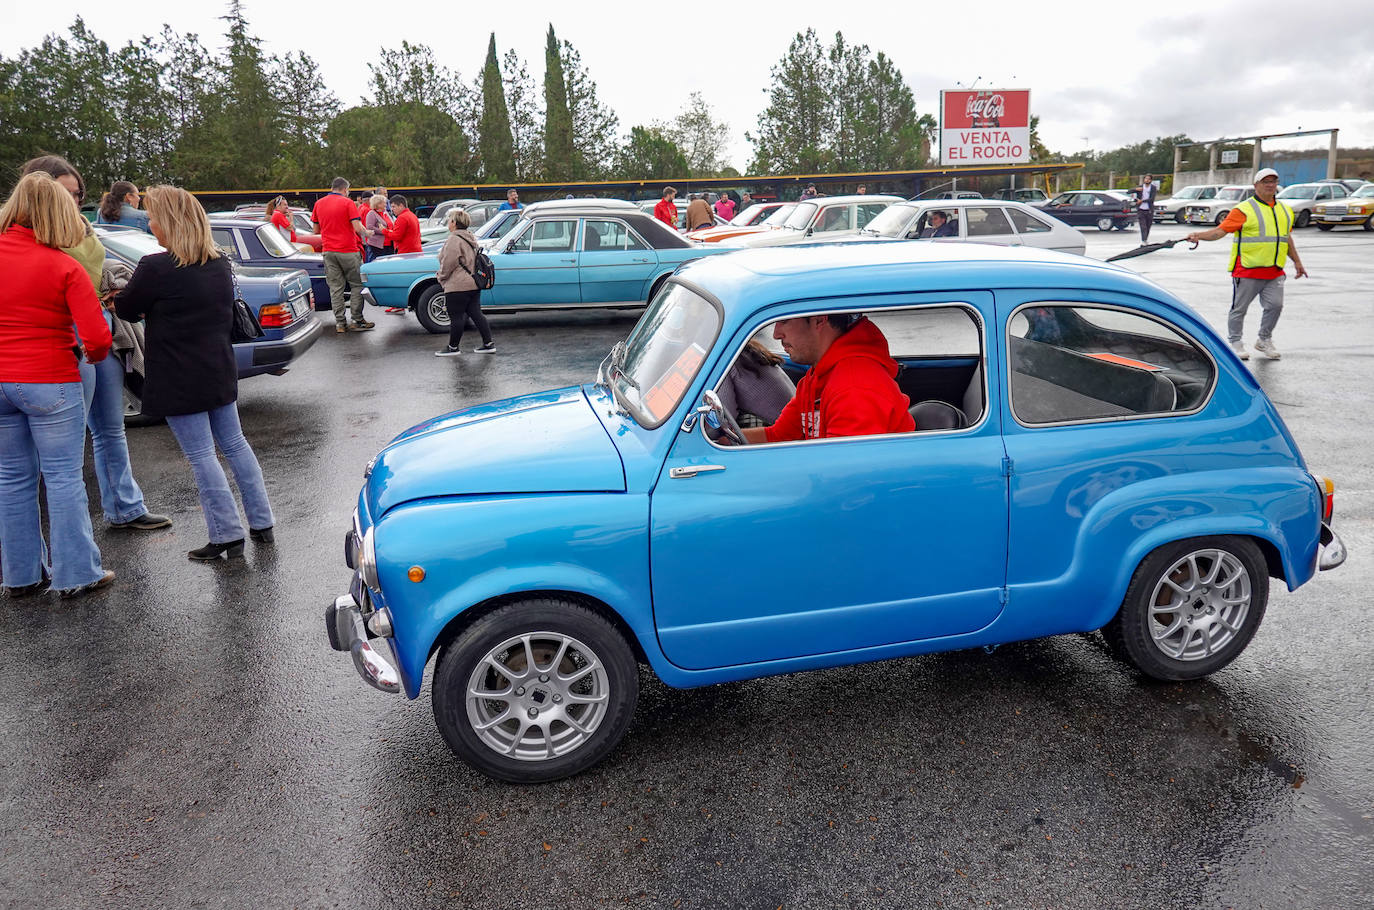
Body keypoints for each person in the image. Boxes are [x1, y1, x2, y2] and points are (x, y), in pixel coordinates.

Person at [114, 186, 275, 561]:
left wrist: (115, 297)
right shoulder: (219, 263)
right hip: (218, 368)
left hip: (177, 375)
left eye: (154, 217)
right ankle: (262, 523)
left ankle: (226, 535)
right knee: (235, 445)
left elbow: (127, 308)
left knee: (202, 455)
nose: (150, 223)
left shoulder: (155, 267)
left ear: (169, 223)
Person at [21, 157, 171, 535]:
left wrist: (108, 284)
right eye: (66, 193)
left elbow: (89, 270)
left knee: (110, 426)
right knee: (60, 449)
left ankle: (125, 506)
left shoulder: (81, 225)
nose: (73, 200)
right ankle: (56, 539)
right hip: (59, 335)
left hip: (97, 325)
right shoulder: (27, 234)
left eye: (78, 193)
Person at [0, 171, 116, 598]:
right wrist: (93, 355)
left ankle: (20, 575)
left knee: (11, 479)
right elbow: (98, 337)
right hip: (51, 378)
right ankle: (77, 573)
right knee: (63, 478)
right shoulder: (63, 265)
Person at [734, 313, 914, 444]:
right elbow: (779, 436)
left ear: (819, 320)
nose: (776, 334)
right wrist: (722, 442)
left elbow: (847, 474)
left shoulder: (854, 386)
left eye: (784, 320)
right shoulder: (818, 375)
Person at [1186, 167, 1308, 361]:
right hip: (1247, 270)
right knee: (1239, 309)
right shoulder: (1243, 209)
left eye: (1273, 181)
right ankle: (1235, 342)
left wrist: (1298, 263)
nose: (1270, 185)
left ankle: (1264, 340)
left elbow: (1286, 239)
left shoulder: (1284, 210)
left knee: (1275, 306)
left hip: (1274, 271)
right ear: (1256, 185)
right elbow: (1219, 232)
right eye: (1265, 182)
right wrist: (1198, 235)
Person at [312, 177, 373, 334]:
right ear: (345, 189)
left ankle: (340, 323)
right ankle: (356, 319)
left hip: (328, 251)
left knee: (336, 289)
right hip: (347, 250)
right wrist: (368, 232)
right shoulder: (348, 203)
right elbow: (357, 227)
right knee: (357, 285)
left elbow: (316, 231)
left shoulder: (319, 203)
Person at [434, 207, 495, 357]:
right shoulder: (470, 237)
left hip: (458, 284)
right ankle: (488, 344)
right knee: (476, 314)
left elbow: (449, 262)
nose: (449, 222)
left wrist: (441, 276)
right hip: (473, 283)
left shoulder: (454, 239)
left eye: (450, 220)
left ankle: (453, 348)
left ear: (454, 222)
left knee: (456, 316)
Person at [716, 340, 795, 427]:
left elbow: (724, 420)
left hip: (784, 432)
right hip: (796, 422)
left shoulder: (725, 363)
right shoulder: (748, 351)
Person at [363, 195, 393, 262]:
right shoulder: (371, 213)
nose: (386, 204)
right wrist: (382, 231)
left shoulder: (385, 213)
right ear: (378, 204)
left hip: (389, 244)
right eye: (384, 203)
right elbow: (369, 227)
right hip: (377, 245)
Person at [1136, 174, 1158, 243]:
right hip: (1141, 210)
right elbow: (1129, 191)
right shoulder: (1140, 187)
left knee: (1148, 226)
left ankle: (1145, 239)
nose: (1147, 180)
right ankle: (1144, 240)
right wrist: (1135, 189)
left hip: (1149, 210)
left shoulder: (1153, 188)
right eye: (1146, 178)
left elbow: (1152, 199)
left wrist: (1142, 201)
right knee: (1143, 226)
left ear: (1151, 180)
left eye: (1148, 179)